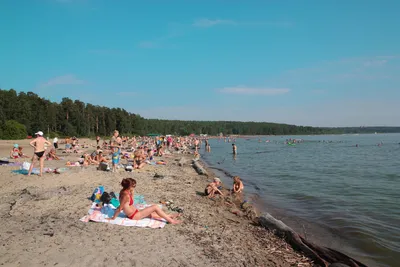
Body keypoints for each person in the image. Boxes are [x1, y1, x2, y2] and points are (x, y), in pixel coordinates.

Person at [107, 178, 182, 224]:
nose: (134, 187)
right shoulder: (125, 195)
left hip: (135, 212)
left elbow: (130, 203)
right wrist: (113, 218)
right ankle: (171, 221)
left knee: (152, 213)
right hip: (134, 216)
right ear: (129, 186)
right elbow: (120, 208)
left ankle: (169, 216)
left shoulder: (124, 191)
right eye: (133, 186)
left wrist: (132, 193)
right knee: (155, 207)